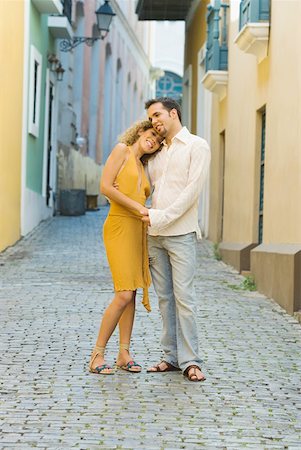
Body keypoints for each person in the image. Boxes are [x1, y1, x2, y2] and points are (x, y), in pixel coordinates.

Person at [141, 97, 211, 382]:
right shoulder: (156, 152)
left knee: (185, 299)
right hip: (154, 236)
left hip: (180, 233)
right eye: (150, 118)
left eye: (157, 115)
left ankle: (191, 361)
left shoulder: (197, 146)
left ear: (173, 113)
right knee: (165, 299)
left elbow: (192, 191)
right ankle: (170, 357)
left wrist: (161, 217)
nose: (154, 121)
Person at [89, 120, 162, 375]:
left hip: (136, 231)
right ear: (141, 130)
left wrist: (142, 207)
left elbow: (136, 195)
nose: (153, 140)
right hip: (119, 227)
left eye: (158, 140)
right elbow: (105, 186)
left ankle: (124, 353)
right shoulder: (122, 150)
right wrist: (138, 207)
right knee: (123, 294)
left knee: (130, 293)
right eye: (151, 133)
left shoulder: (143, 166)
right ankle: (97, 355)